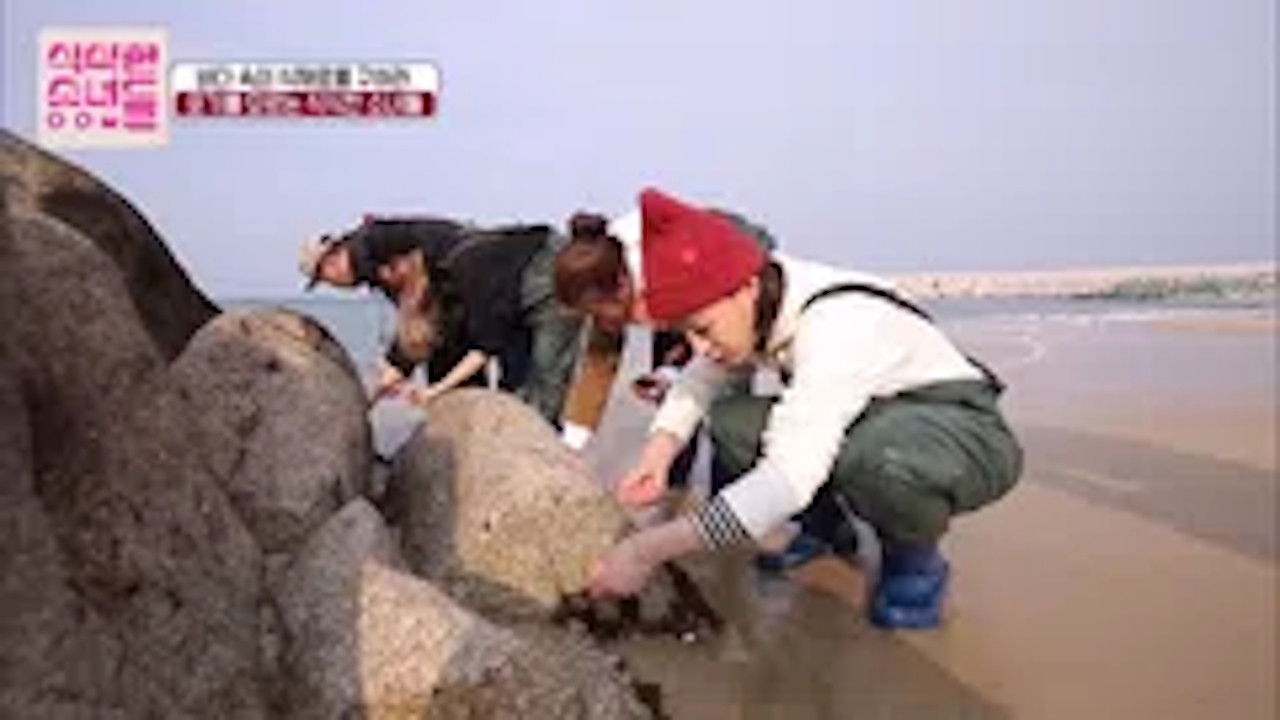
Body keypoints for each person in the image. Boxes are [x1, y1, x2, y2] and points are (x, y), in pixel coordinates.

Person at [586, 188, 1022, 629]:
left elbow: (787, 481)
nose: (700, 349)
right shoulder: (756, 299)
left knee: (882, 460)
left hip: (960, 429)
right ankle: (828, 530)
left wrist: (644, 551)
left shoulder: (835, 325)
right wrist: (657, 457)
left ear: (745, 289)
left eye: (703, 329)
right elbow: (699, 380)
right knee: (734, 424)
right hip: (871, 416)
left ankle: (914, 564)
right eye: (686, 333)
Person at [554, 206, 776, 508]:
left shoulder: (676, 270)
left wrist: (679, 371)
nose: (600, 322)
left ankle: (732, 505)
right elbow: (599, 363)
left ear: (621, 288)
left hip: (735, 264)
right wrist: (570, 446)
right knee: (674, 396)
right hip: (668, 295)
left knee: (730, 402)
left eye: (598, 313)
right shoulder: (607, 276)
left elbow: (711, 357)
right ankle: (669, 486)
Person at [298, 215, 583, 427]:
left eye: (325, 278)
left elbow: (484, 346)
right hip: (504, 290)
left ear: (332, 261)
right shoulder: (409, 268)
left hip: (542, 276)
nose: (334, 285)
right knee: (502, 390)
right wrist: (383, 386)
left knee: (539, 390)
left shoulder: (378, 251)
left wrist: (434, 391)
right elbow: (422, 326)